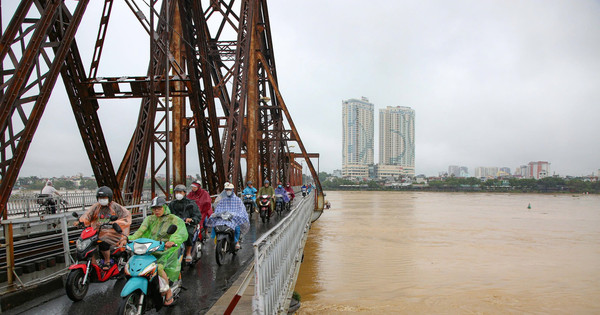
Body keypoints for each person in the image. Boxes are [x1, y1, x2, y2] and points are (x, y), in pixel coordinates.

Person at [128, 197, 187, 306]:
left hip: (167, 249)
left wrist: (172, 241)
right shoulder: (149, 219)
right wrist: (128, 238)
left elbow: (179, 233)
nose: (156, 211)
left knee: (158, 267)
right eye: (154, 208)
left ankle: (167, 290)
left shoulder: (173, 219)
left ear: (165, 207)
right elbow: (140, 231)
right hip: (151, 247)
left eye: (159, 208)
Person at [75, 186, 132, 270]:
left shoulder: (116, 207)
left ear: (109, 198)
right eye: (100, 198)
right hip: (97, 231)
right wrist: (81, 221)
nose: (102, 199)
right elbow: (87, 216)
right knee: (87, 243)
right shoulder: (96, 207)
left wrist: (115, 223)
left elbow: (127, 217)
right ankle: (93, 263)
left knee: (103, 241)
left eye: (104, 198)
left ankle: (107, 261)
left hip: (112, 232)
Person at [206, 183, 249, 250]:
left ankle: (237, 242)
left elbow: (241, 210)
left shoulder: (238, 200)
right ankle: (217, 242)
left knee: (237, 227)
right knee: (215, 225)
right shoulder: (222, 200)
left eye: (229, 189)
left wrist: (235, 214)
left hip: (233, 218)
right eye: (226, 189)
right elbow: (218, 209)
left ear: (232, 190)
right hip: (223, 218)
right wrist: (217, 214)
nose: (228, 191)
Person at [170, 185, 202, 263]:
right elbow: (168, 214)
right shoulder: (172, 204)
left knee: (188, 234)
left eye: (180, 192)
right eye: (176, 192)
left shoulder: (191, 203)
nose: (178, 194)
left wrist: (191, 219)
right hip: (176, 225)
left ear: (184, 193)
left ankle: (188, 252)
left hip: (188, 225)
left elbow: (197, 215)